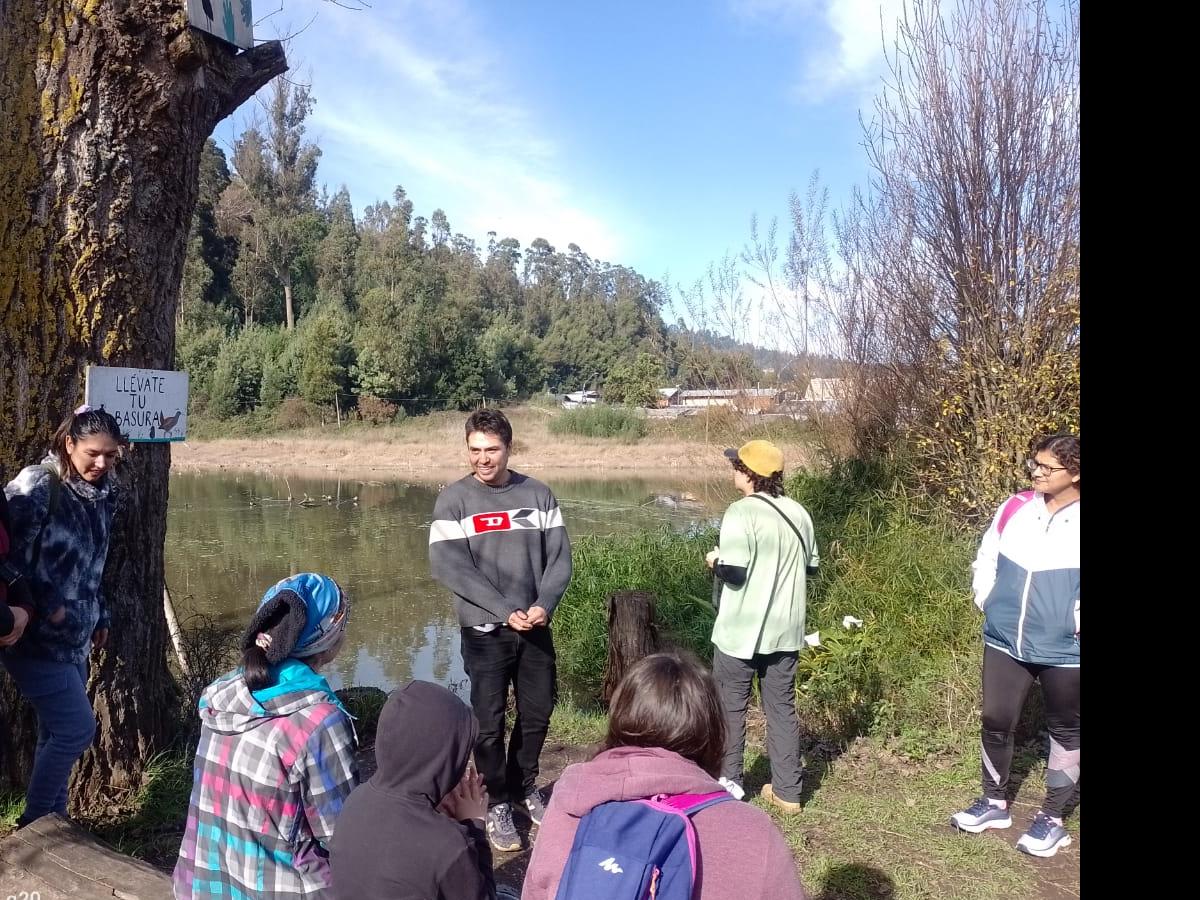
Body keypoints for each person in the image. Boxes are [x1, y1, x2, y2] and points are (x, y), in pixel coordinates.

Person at [522, 652, 808, 899]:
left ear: (618, 720)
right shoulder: (754, 832)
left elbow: (535, 892)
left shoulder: (573, 800)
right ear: (715, 735)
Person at [429, 408, 572, 852]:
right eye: (475, 451)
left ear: (509, 447)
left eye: (492, 450)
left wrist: (543, 604)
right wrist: (504, 608)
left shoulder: (539, 494)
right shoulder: (453, 501)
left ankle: (523, 785)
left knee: (537, 713)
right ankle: (496, 801)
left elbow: (560, 559)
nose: (483, 459)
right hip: (484, 630)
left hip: (534, 626)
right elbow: (450, 567)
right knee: (488, 723)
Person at [173, 573, 359, 898]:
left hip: (198, 887)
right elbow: (343, 839)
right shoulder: (319, 721)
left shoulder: (219, 696)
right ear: (329, 638)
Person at [950, 434, 1080, 858]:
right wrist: (986, 597)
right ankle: (994, 803)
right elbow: (986, 556)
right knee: (995, 719)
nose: (1036, 472)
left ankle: (1053, 819)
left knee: (1066, 732)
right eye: (1035, 464)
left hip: (1066, 650)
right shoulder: (1015, 507)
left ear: (1075, 473)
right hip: (1005, 639)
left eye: (1047, 467)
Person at [1, 405, 122, 826]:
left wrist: (100, 614)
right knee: (76, 730)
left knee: (55, 732)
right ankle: (35, 823)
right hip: (30, 638)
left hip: (76, 637)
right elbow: (6, 559)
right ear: (69, 444)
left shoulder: (106, 492)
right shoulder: (38, 486)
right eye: (93, 453)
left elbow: (95, 564)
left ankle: (56, 820)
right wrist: (44, 605)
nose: (102, 463)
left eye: (111, 454)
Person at [705, 440, 818, 814]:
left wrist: (715, 561)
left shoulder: (740, 513)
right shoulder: (799, 513)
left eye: (736, 466)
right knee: (781, 707)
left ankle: (729, 785)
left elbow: (735, 574)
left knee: (731, 707)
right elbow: (811, 567)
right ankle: (788, 792)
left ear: (748, 473)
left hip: (742, 631)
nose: (732, 471)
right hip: (786, 630)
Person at [330, 680, 521, 900]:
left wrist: (434, 813)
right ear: (442, 760)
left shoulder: (356, 800)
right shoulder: (449, 846)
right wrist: (474, 824)